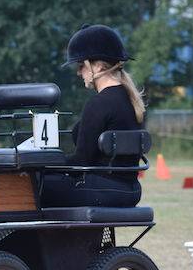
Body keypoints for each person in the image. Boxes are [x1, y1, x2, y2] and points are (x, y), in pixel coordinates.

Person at [41, 24, 147, 208]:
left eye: (81, 66)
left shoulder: (99, 104)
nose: (78, 72)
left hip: (104, 189)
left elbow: (81, 161)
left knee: (35, 185)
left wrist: (42, 164)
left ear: (97, 66)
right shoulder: (132, 100)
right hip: (131, 189)